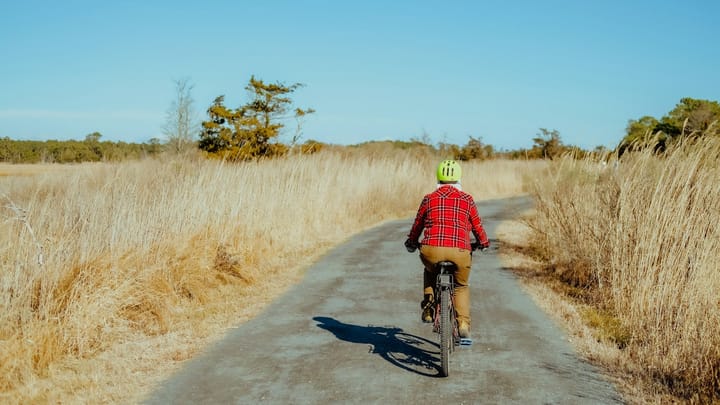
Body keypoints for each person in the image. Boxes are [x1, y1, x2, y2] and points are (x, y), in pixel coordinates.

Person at [404, 159, 489, 339]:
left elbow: (417, 225)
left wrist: (412, 242)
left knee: (429, 271)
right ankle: (463, 323)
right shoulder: (467, 199)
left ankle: (428, 307)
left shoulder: (429, 198)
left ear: (438, 178)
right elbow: (477, 227)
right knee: (460, 286)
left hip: (431, 250)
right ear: (458, 177)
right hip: (460, 251)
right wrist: (484, 243)